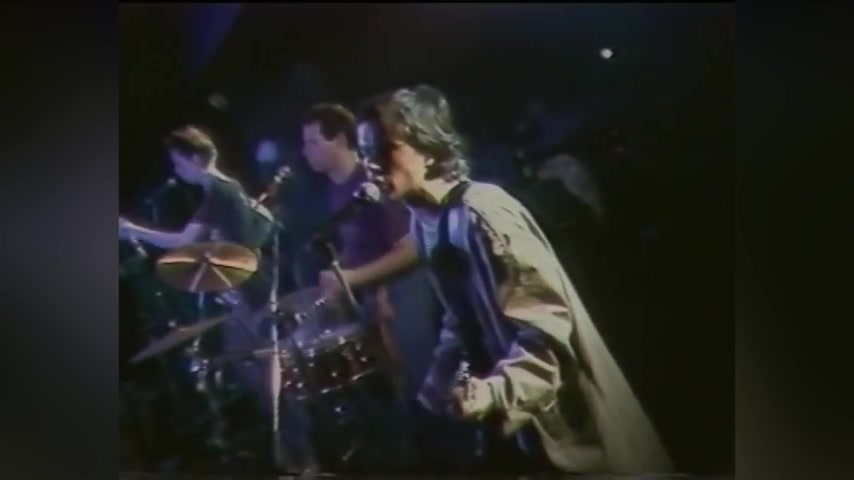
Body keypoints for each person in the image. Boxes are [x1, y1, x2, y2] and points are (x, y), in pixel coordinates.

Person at [321, 85, 673, 474]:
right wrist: (442, 382)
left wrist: (490, 393)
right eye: (366, 152)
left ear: (428, 146)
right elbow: (462, 315)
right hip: (527, 421)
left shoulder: (483, 213)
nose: (371, 164)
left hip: (571, 425)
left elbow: (547, 335)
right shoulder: (428, 222)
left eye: (384, 149)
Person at [118, 125, 315, 473]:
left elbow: (183, 241)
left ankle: (299, 457)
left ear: (196, 158)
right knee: (257, 374)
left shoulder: (221, 190)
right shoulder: (222, 192)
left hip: (252, 294)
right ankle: (290, 455)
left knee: (268, 379)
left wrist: (132, 230)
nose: (176, 170)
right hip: (245, 293)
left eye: (178, 162)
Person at [300, 103, 417, 470]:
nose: (305, 151)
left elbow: (410, 248)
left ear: (339, 139)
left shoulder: (373, 180)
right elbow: (360, 247)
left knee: (411, 387)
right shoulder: (336, 192)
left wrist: (353, 280)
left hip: (405, 298)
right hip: (371, 300)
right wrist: (338, 275)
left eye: (312, 142)